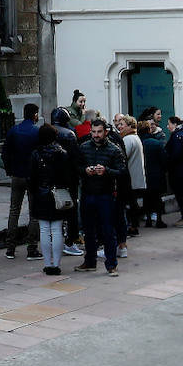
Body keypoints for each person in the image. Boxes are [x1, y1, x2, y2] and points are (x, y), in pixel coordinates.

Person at [73, 119, 124, 276]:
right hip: (88, 193)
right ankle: (90, 262)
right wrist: (85, 170)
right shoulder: (84, 147)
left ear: (105, 132)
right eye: (93, 132)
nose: (96, 135)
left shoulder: (114, 149)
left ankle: (111, 265)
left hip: (105, 195)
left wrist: (106, 170)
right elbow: (76, 167)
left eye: (99, 132)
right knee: (88, 231)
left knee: (108, 230)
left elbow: (122, 171)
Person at [28, 124, 72, 275]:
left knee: (45, 230)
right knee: (57, 230)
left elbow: (31, 177)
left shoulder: (35, 153)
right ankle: (56, 264)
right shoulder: (62, 153)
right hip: (58, 194)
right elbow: (68, 177)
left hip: (41, 194)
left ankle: (48, 263)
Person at [2, 103, 42, 260]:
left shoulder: (14, 131)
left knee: (14, 210)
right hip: (32, 175)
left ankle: (10, 247)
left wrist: (9, 170)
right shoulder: (36, 132)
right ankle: (31, 248)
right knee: (34, 213)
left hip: (17, 175)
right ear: (35, 115)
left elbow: (5, 153)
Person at [49, 108, 84, 256]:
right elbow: (76, 157)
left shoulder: (47, 131)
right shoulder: (69, 134)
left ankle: (56, 240)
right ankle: (70, 240)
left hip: (51, 177)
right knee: (71, 209)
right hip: (68, 177)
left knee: (54, 210)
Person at [117, 115, 146, 248]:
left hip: (130, 177)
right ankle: (134, 226)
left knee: (128, 203)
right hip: (135, 175)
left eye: (122, 123)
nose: (119, 126)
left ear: (129, 126)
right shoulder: (135, 137)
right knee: (132, 202)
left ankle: (132, 227)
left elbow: (122, 156)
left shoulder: (128, 139)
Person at [140, 118, 169, 227]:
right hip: (156, 174)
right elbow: (164, 159)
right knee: (157, 198)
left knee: (146, 198)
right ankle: (159, 220)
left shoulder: (140, 143)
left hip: (143, 175)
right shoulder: (156, 143)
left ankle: (148, 219)